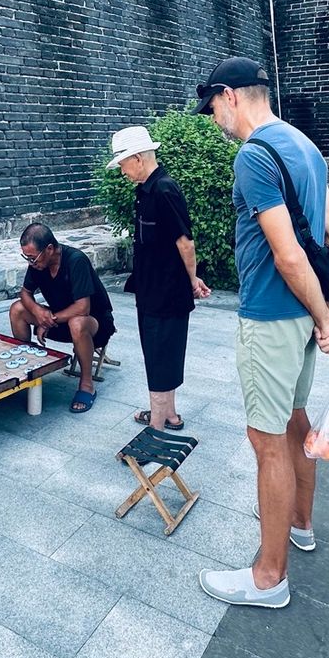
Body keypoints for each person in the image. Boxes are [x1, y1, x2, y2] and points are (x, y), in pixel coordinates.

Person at [193, 56, 329, 609]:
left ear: (229, 95)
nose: (213, 116)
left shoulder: (253, 156)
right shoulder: (303, 144)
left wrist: (326, 317)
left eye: (213, 105)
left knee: (266, 443)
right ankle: (301, 525)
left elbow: (288, 255)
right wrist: (325, 305)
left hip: (271, 316)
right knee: (294, 422)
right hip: (301, 317)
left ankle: (268, 578)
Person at [106, 125, 210, 432]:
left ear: (137, 158)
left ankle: (156, 429)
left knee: (159, 354)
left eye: (123, 164)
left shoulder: (164, 189)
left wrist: (192, 280)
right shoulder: (146, 189)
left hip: (166, 292)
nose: (122, 171)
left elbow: (185, 242)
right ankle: (170, 414)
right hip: (153, 288)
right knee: (163, 352)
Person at [9, 223, 116, 413]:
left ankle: (86, 385)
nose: (30, 262)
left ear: (49, 249)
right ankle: (25, 372)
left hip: (94, 322)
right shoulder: (37, 265)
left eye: (33, 257)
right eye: (27, 257)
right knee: (17, 309)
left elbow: (83, 308)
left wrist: (50, 320)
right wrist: (38, 312)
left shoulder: (76, 260)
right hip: (59, 317)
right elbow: (25, 293)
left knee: (77, 322)